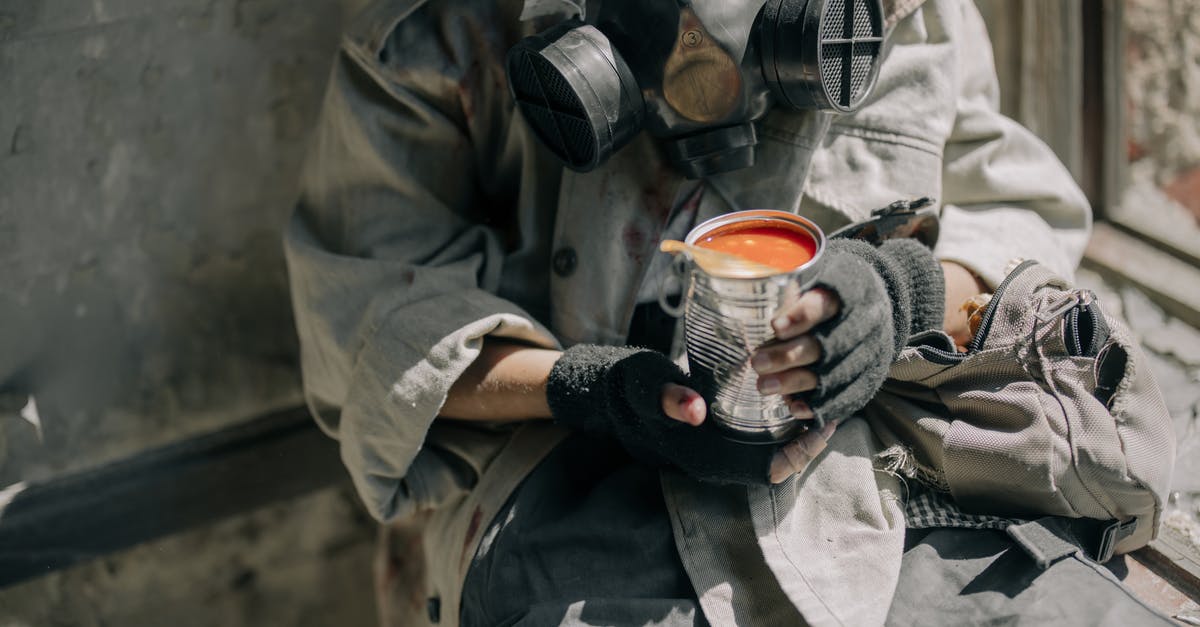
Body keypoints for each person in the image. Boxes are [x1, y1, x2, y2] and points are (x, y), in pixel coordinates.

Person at [284, 0, 1174, 624]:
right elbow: (365, 327)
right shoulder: (429, 40)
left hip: (867, 483)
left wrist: (906, 292)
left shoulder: (904, 14)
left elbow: (1018, 205)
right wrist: (590, 391)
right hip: (561, 493)